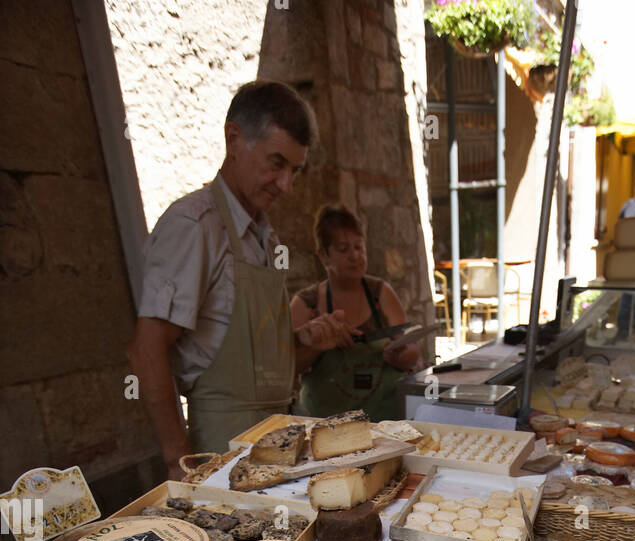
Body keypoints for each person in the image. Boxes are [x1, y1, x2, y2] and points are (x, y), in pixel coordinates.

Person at [128, 82, 356, 477]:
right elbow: (146, 350)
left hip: (278, 441)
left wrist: (307, 343)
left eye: (295, 171)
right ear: (234, 139)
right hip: (220, 448)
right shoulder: (194, 225)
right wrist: (179, 463)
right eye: (276, 163)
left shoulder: (265, 238)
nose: (286, 185)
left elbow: (266, 370)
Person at [290, 205, 421, 420]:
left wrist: (401, 356)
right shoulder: (306, 304)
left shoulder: (381, 294)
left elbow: (413, 351)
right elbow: (285, 371)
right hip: (326, 427)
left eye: (359, 247)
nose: (354, 256)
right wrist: (317, 345)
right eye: (343, 249)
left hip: (384, 424)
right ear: (323, 255)